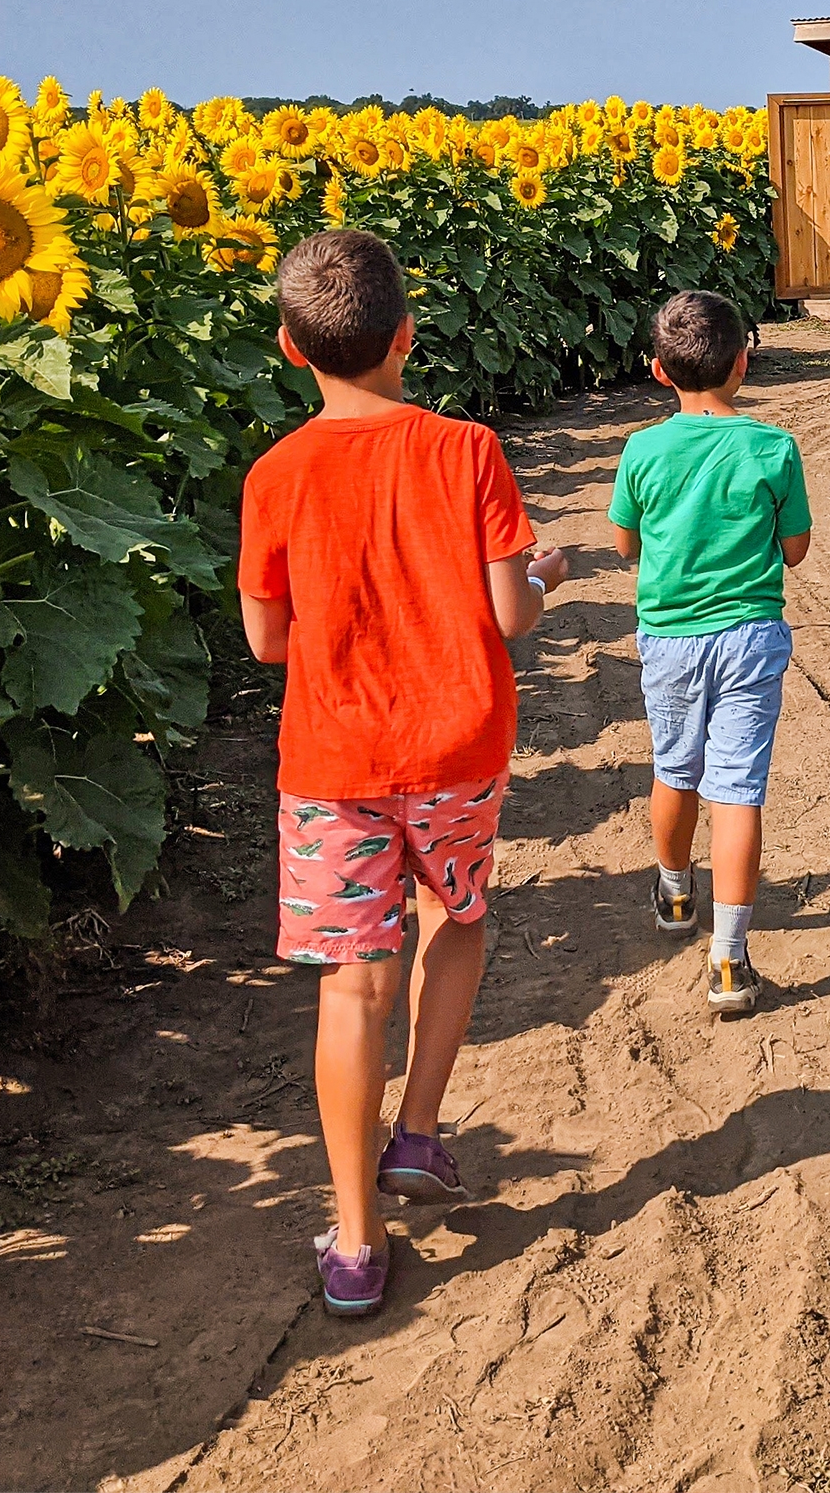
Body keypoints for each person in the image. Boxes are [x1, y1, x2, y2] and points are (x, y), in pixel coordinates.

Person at [236, 229, 568, 1319]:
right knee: (457, 917)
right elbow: (512, 614)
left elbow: (266, 641)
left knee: (352, 985)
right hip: (455, 747)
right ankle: (418, 1132)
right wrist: (546, 570)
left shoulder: (275, 473)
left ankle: (353, 1236)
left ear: (291, 347)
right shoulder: (466, 450)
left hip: (332, 758)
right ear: (408, 337)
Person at [608, 290, 811, 1016]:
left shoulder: (642, 448)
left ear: (660, 372)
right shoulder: (772, 447)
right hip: (751, 636)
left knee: (674, 769)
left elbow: (625, 544)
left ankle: (672, 893)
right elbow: (794, 551)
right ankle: (728, 961)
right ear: (742, 363)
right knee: (737, 792)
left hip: (669, 638)